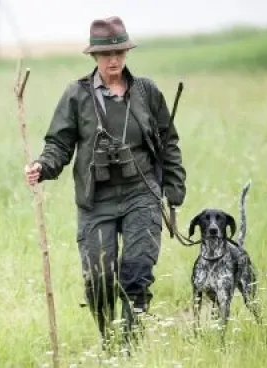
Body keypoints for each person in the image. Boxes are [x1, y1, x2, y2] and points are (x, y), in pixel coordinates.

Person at [23, 16, 187, 350]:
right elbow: (59, 144)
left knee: (137, 272)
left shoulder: (147, 92)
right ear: (94, 57)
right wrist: (43, 165)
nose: (114, 60)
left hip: (141, 191)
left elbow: (168, 141)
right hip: (95, 199)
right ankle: (110, 342)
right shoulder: (77, 95)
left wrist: (174, 187)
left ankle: (129, 347)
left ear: (126, 53)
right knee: (99, 280)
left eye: (120, 53)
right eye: (106, 54)